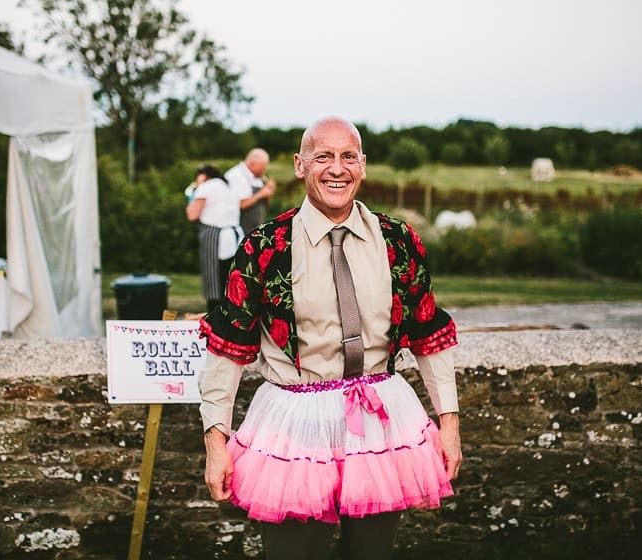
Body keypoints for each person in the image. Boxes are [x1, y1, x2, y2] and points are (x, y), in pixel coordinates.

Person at [199, 117, 462, 560]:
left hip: (380, 421)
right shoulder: (265, 246)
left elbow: (428, 333)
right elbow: (226, 351)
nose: (336, 168)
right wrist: (215, 442)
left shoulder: (399, 241)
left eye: (347, 156)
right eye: (323, 156)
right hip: (294, 421)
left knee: (372, 554)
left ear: (362, 165)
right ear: (301, 166)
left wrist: (449, 425)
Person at [186, 164, 244, 313]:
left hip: (215, 236)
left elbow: (192, 215)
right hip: (234, 235)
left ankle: (214, 315)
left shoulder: (206, 187)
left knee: (213, 279)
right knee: (228, 278)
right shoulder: (228, 185)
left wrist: (195, 190)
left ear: (203, 176)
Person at [225, 148, 277, 234]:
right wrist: (261, 193)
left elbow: (265, 204)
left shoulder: (258, 178)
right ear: (253, 163)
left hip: (254, 230)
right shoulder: (236, 176)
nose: (264, 170)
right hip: (239, 230)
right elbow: (240, 205)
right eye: (262, 167)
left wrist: (268, 192)